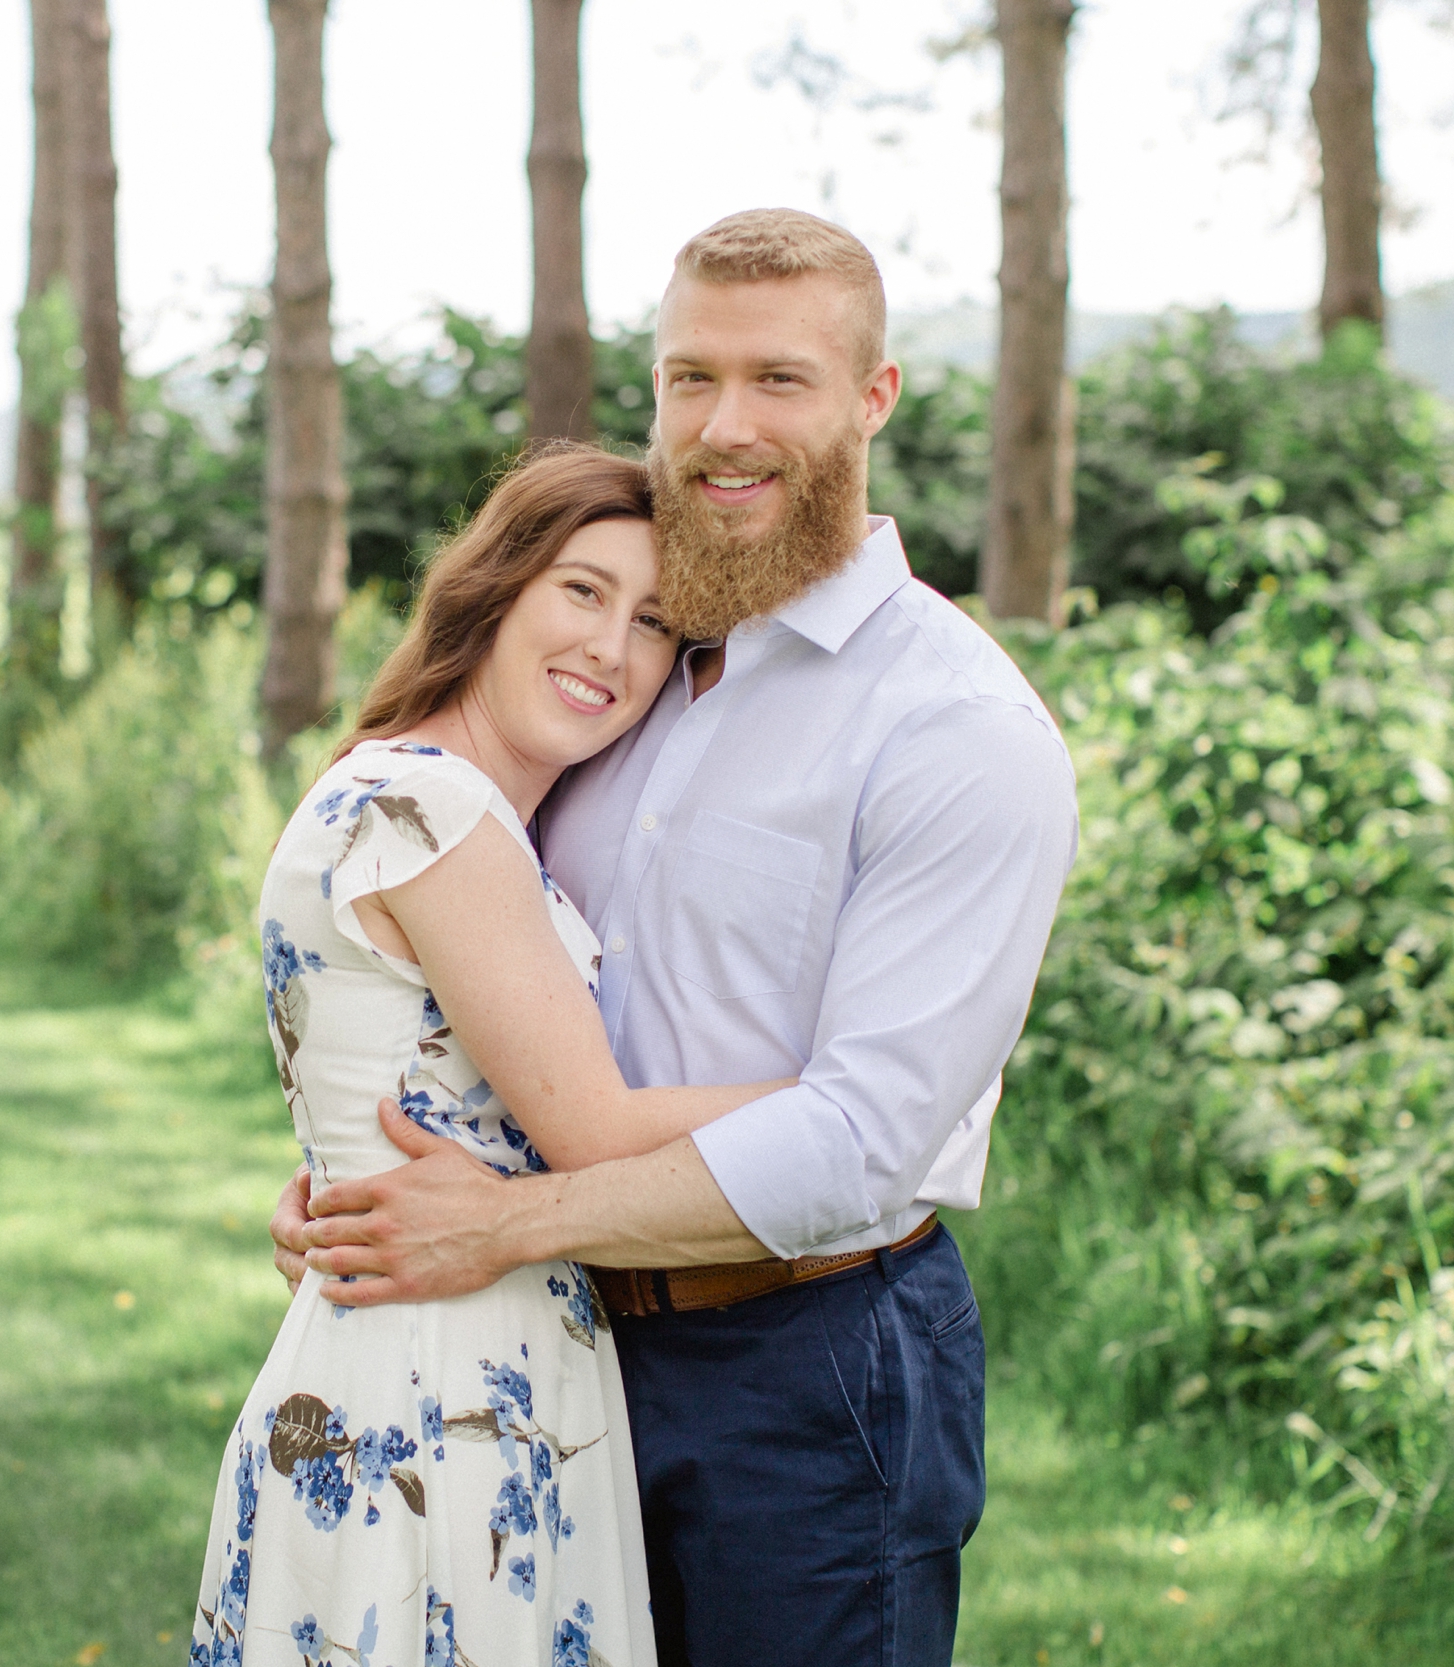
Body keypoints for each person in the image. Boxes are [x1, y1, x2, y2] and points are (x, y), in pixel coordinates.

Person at [272, 209, 1081, 1667]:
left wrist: (500, 1223)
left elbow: (862, 1139)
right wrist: (366, 1185)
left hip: (807, 1364)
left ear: (874, 397)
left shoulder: (953, 729)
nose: (724, 425)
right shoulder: (619, 683)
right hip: (551, 1349)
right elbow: (480, 999)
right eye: (686, 377)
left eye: (779, 379)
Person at [188, 446, 800, 1667]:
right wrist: (870, 1093)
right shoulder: (440, 812)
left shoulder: (415, 796)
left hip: (418, 1350)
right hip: (442, 1389)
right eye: (581, 591)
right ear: (497, 586)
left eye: (654, 624)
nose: (611, 650)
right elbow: (593, 1131)